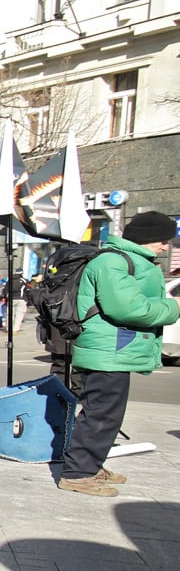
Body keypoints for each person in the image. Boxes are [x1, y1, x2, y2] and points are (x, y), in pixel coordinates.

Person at [57, 211, 180, 496]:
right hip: (107, 351)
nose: (166, 247)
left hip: (113, 350)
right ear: (146, 238)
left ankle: (89, 463)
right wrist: (174, 308)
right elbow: (128, 309)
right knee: (102, 415)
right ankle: (77, 473)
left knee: (105, 413)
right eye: (163, 240)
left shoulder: (127, 260)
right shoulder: (113, 262)